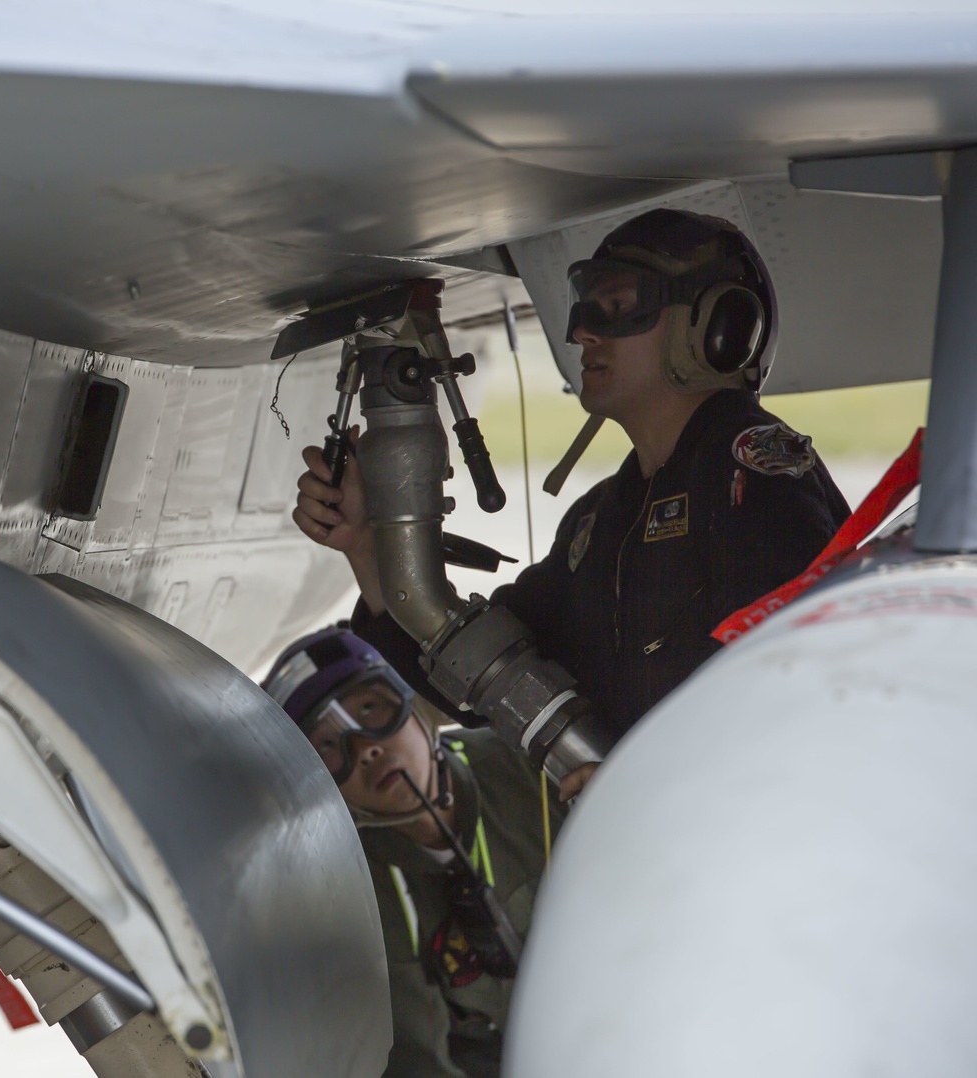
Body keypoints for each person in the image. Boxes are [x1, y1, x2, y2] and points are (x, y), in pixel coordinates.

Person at [292, 208, 850, 798]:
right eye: (585, 305)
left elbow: (812, 684)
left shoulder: (755, 482)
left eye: (619, 305)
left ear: (719, 329)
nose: (583, 331)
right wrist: (365, 545)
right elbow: (478, 688)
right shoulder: (602, 522)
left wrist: (660, 786)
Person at [263, 625, 561, 1078]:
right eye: (327, 748)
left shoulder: (523, 762)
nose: (364, 749)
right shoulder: (356, 900)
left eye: (370, 709)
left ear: (416, 709)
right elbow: (420, 1060)